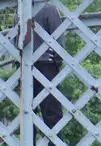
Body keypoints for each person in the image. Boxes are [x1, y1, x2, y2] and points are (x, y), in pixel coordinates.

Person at [32, 2, 64, 131]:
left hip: (25, 68)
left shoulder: (20, 11)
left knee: (28, 113)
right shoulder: (49, 8)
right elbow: (59, 40)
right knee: (53, 113)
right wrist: (57, 62)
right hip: (48, 64)